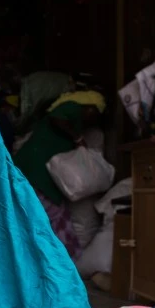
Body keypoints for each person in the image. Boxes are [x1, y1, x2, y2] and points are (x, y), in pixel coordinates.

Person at [12, 90, 105, 256]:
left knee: (48, 215)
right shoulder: (72, 107)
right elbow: (57, 118)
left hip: (36, 170)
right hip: (36, 170)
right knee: (53, 215)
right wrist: (76, 138)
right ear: (90, 107)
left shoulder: (75, 117)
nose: (95, 120)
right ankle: (66, 260)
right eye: (97, 114)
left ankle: (63, 261)